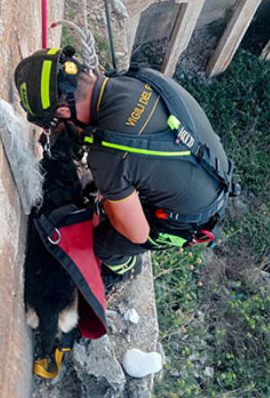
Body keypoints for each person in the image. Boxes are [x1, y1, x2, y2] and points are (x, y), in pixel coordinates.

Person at [14, 46, 238, 278]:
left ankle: (126, 270)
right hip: (213, 170)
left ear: (62, 111)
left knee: (102, 243)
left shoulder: (109, 154)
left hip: (190, 218)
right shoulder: (135, 78)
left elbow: (138, 234)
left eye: (55, 122)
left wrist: (106, 193)